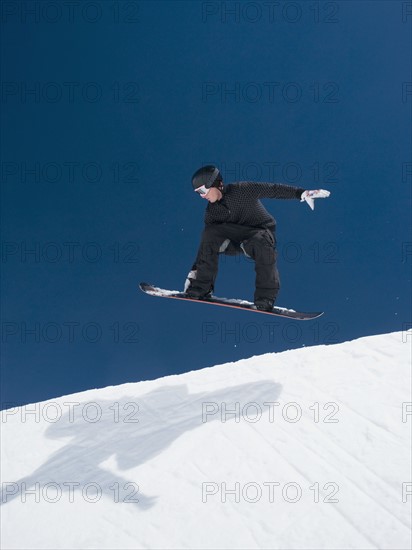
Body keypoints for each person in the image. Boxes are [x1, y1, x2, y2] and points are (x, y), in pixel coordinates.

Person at [184, 165, 330, 311]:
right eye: (198, 193)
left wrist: (302, 193)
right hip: (236, 241)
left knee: (260, 243)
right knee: (210, 232)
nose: (202, 196)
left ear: (215, 184)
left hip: (260, 234)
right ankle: (202, 288)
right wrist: (194, 273)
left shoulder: (241, 190)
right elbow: (206, 246)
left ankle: (265, 299)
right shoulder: (212, 213)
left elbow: (272, 189)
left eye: (202, 191)